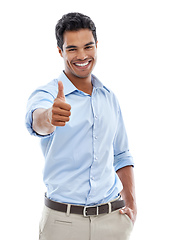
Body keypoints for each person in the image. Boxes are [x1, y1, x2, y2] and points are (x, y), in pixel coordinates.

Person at [25, 12, 137, 240]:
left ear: (97, 46)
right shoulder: (47, 94)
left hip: (112, 221)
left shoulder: (109, 98)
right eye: (72, 49)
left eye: (88, 46)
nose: (82, 56)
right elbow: (37, 122)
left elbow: (122, 154)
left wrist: (132, 204)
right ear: (60, 51)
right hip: (62, 224)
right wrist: (50, 117)